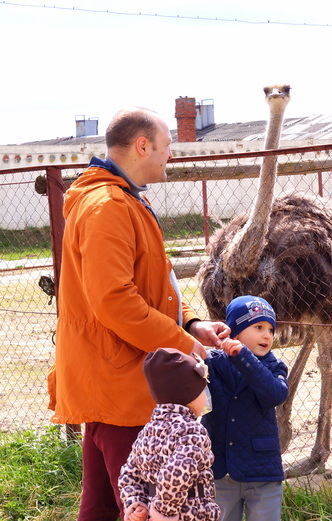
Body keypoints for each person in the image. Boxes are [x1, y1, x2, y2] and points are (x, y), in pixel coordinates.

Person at [46, 107, 230, 521]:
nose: (170, 156)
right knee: (146, 510)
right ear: (141, 145)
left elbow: (155, 285)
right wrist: (184, 345)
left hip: (113, 384)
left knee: (102, 509)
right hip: (122, 386)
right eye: (167, 147)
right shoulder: (108, 205)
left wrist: (192, 324)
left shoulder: (121, 199)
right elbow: (115, 301)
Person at [202, 295, 289, 521]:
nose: (266, 335)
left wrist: (244, 358)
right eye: (258, 326)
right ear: (235, 332)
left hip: (262, 472)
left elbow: (274, 395)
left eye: (271, 329)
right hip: (219, 470)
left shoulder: (275, 366)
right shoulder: (212, 362)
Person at [118, 348, 220, 521]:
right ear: (191, 395)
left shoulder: (148, 430)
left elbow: (129, 473)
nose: (206, 396)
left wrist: (136, 503)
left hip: (152, 509)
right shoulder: (192, 431)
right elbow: (176, 472)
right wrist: (164, 512)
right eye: (203, 390)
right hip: (190, 513)